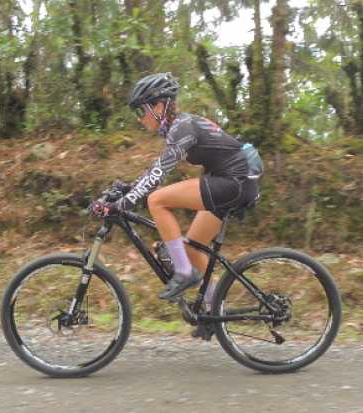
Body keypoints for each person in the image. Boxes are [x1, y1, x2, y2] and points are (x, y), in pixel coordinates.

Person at [91, 73, 261, 338]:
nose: (139, 118)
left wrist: (123, 203)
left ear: (159, 106)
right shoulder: (179, 126)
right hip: (231, 181)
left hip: (233, 181)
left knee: (156, 200)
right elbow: (156, 170)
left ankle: (183, 273)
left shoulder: (182, 127)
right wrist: (126, 189)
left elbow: (159, 174)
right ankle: (213, 312)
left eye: (141, 110)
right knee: (192, 246)